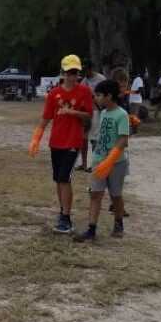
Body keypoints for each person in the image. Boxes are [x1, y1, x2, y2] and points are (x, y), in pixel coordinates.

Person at [28, 55, 93, 234]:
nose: (73, 76)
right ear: (62, 73)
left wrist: (72, 112)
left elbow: (89, 115)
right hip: (56, 141)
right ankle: (62, 212)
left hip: (73, 141)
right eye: (70, 72)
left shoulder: (84, 92)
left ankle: (66, 217)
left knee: (65, 178)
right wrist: (36, 138)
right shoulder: (53, 94)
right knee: (58, 179)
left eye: (76, 72)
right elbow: (45, 118)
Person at [74, 80, 130, 242]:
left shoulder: (122, 114)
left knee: (115, 195)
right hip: (99, 161)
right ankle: (91, 229)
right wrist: (99, 160)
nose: (95, 98)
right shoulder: (103, 113)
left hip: (116, 163)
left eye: (98, 95)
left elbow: (123, 140)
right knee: (95, 194)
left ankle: (118, 223)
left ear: (109, 96)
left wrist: (111, 159)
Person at [77, 60, 106, 172]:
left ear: (91, 68)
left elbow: (105, 96)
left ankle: (95, 164)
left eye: (86, 70)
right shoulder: (84, 81)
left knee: (95, 139)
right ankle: (84, 164)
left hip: (97, 112)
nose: (84, 73)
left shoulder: (101, 79)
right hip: (86, 112)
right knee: (83, 139)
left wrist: (94, 96)